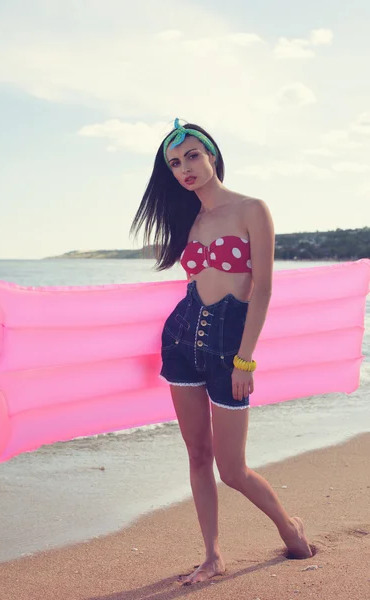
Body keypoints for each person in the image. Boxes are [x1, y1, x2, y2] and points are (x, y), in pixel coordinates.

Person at [130, 118, 312, 585]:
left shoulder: (253, 209)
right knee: (196, 455)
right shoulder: (187, 220)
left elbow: (265, 290)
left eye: (192, 155)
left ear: (212, 155)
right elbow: (192, 284)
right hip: (181, 344)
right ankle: (212, 555)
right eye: (174, 163)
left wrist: (245, 359)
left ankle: (289, 525)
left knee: (232, 468)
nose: (185, 168)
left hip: (230, 348)